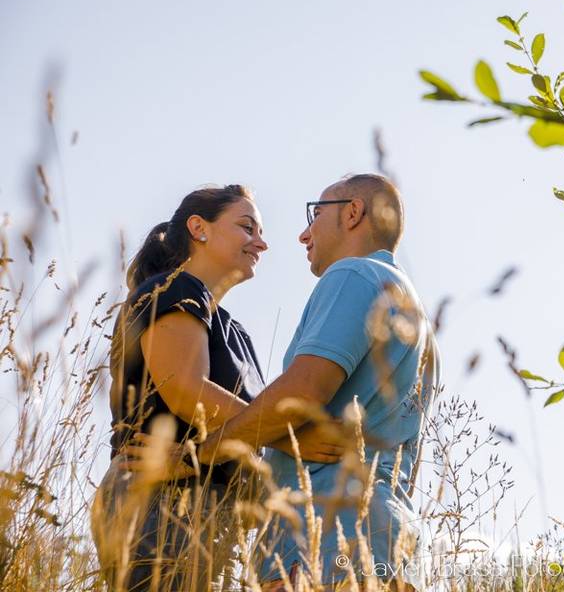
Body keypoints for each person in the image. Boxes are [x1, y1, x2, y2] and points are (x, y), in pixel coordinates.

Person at [192, 173, 439, 589]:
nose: (304, 235)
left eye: (315, 215)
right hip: (391, 538)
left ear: (353, 213)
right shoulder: (414, 315)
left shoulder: (354, 276)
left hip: (325, 541)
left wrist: (203, 452)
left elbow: (302, 392)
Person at [92, 184, 337, 591]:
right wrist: (287, 438)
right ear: (198, 228)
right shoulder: (176, 289)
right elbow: (186, 390)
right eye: (247, 227)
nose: (262, 243)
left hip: (211, 510)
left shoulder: (229, 326)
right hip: (163, 498)